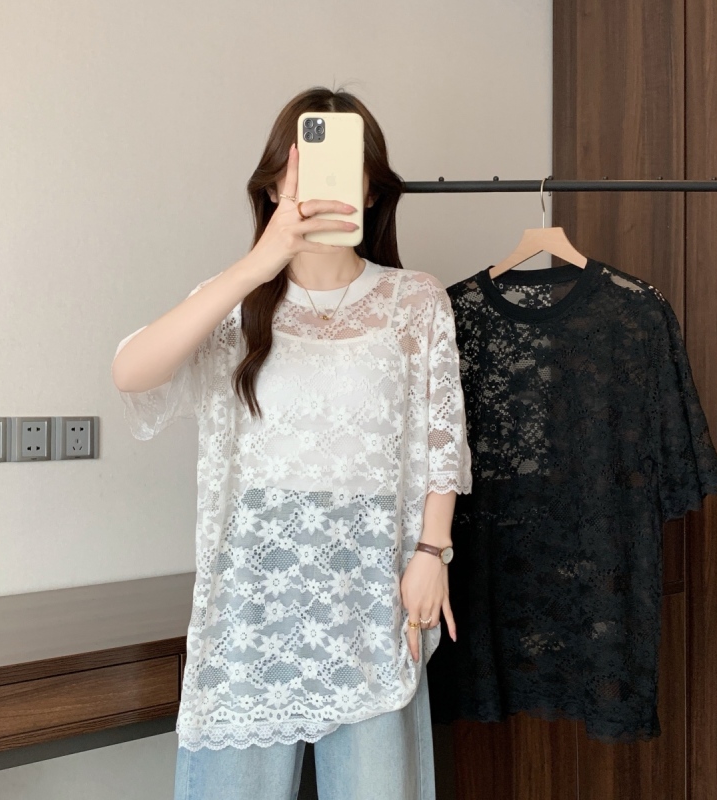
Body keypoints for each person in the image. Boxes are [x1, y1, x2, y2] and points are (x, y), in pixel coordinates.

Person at [111, 87, 472, 800]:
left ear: (371, 190)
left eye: (343, 168)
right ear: (275, 185)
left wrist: (432, 552)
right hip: (252, 595)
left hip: (372, 587)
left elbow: (443, 436)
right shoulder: (235, 303)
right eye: (300, 170)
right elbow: (131, 373)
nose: (320, 187)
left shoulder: (415, 300)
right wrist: (259, 263)